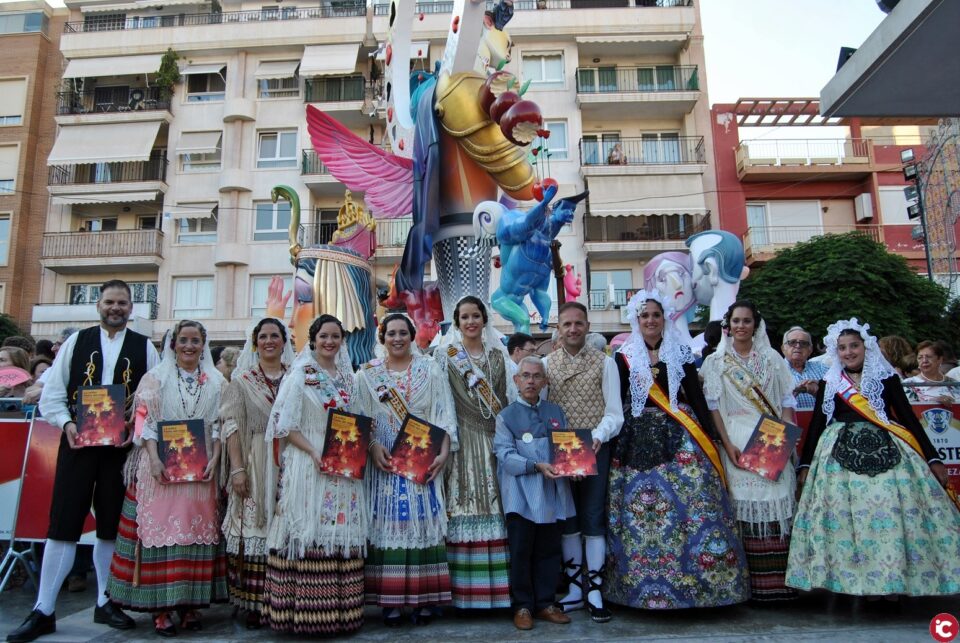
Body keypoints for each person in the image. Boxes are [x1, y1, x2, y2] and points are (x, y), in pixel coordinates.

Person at [7, 281, 158, 643]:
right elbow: (53, 393)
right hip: (77, 445)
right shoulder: (77, 342)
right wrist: (67, 424)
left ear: (131, 307)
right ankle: (44, 609)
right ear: (98, 305)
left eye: (122, 302)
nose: (115, 307)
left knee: (110, 525)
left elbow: (152, 401)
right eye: (109, 301)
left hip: (120, 450)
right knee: (63, 523)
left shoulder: (145, 347)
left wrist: (134, 429)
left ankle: (106, 601)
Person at [786, 319, 960, 597]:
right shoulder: (830, 381)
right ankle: (857, 584)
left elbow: (908, 419)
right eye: (843, 348)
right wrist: (805, 464)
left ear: (866, 347)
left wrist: (932, 458)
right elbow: (817, 423)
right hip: (838, 455)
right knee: (846, 520)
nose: (848, 352)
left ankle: (893, 582)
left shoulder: (886, 378)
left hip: (888, 449)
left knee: (891, 514)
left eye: (854, 346)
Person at [606, 291, 749, 609]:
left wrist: (712, 438)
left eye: (656, 315)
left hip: (682, 434)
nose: (650, 320)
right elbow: (619, 398)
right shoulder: (623, 356)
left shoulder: (680, 351)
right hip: (637, 437)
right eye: (645, 315)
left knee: (695, 503)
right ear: (636, 319)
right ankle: (639, 588)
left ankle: (703, 586)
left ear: (664, 318)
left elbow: (695, 396)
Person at [107, 320, 228, 636]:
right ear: (173, 344)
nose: (189, 346)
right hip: (160, 467)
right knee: (161, 535)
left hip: (201, 470)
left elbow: (218, 424)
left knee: (193, 535)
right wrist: (154, 458)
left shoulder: (217, 382)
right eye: (183, 340)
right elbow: (145, 423)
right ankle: (160, 609)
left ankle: (188, 605)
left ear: (203, 345)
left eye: (195, 341)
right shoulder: (155, 378)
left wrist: (216, 457)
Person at [261, 315, 368, 635]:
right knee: (308, 529)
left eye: (335, 336)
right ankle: (306, 614)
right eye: (324, 336)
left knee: (338, 529)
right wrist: (313, 451)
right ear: (313, 339)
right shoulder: (300, 376)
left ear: (342, 341)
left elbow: (358, 421)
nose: (329, 342)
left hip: (342, 465)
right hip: (309, 464)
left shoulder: (349, 378)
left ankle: (340, 613)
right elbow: (286, 427)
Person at [352, 313, 456, 626]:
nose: (397, 338)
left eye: (403, 333)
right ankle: (391, 602)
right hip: (385, 458)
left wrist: (444, 451)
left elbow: (443, 411)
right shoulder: (367, 374)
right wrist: (372, 446)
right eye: (391, 333)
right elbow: (359, 416)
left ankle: (425, 600)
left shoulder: (430, 369)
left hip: (422, 453)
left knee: (422, 523)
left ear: (412, 336)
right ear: (382, 338)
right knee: (389, 524)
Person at [700, 300, 798, 603]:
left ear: (756, 324)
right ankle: (748, 586)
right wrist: (726, 444)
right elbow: (714, 407)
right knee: (742, 506)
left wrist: (786, 434)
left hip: (771, 434)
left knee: (777, 502)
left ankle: (779, 585)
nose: (741, 326)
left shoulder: (772, 358)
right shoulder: (716, 361)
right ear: (728, 326)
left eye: (746, 321)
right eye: (736, 321)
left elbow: (786, 400)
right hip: (735, 437)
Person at [544, 302, 623, 623]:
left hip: (595, 445)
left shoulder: (605, 363)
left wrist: (597, 437)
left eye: (578, 323)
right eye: (567, 324)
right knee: (568, 519)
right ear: (559, 329)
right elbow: (543, 412)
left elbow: (614, 412)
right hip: (561, 449)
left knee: (592, 516)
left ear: (588, 326)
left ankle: (595, 589)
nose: (573, 329)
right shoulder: (547, 365)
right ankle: (575, 588)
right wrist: (564, 452)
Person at [436, 296, 515, 610]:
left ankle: (499, 591)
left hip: (495, 441)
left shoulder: (499, 355)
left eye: (475, 316)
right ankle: (463, 593)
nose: (470, 322)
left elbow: (509, 397)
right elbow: (441, 401)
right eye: (464, 317)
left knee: (499, 505)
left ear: (484, 319)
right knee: (463, 502)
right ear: (457, 322)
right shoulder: (445, 356)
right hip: (462, 441)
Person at [220, 318, 294, 629]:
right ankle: (252, 603)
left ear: (284, 341)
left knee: (286, 530)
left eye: (275, 335)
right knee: (254, 528)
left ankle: (282, 601)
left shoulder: (297, 376)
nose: (269, 341)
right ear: (255, 342)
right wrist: (237, 469)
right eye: (263, 336)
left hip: (292, 460)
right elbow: (232, 427)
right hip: (255, 461)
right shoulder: (242, 381)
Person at [494, 355, 574, 631]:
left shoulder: (556, 412)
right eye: (525, 376)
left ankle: (546, 603)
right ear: (516, 380)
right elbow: (505, 455)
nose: (531, 381)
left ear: (545, 381)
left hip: (552, 494)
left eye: (537, 376)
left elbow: (567, 450)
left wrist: (575, 466)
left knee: (549, 551)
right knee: (521, 551)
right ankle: (523, 606)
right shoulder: (506, 416)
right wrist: (535, 465)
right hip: (521, 496)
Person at [781, 326, 827, 411]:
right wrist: (791, 392)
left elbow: (837, 399)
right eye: (792, 342)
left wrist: (819, 390)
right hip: (787, 418)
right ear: (783, 348)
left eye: (804, 343)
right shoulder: (773, 370)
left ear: (810, 350)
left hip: (820, 418)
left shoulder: (823, 368)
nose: (798, 346)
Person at [903, 340, 959, 404]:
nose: (924, 361)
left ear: (940, 359)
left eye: (929, 357)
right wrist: (934, 401)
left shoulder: (955, 384)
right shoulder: (908, 384)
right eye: (920, 357)